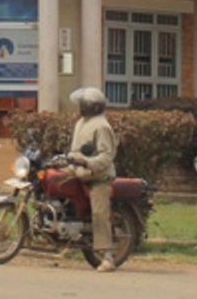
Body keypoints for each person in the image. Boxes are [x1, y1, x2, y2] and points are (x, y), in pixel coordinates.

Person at [67, 86, 118, 273]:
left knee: (99, 213)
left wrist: (87, 163)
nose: (79, 107)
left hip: (99, 176)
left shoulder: (102, 126)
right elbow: (74, 150)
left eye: (83, 104)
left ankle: (107, 257)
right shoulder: (81, 123)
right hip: (79, 171)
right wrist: (66, 161)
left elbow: (106, 156)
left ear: (93, 106)